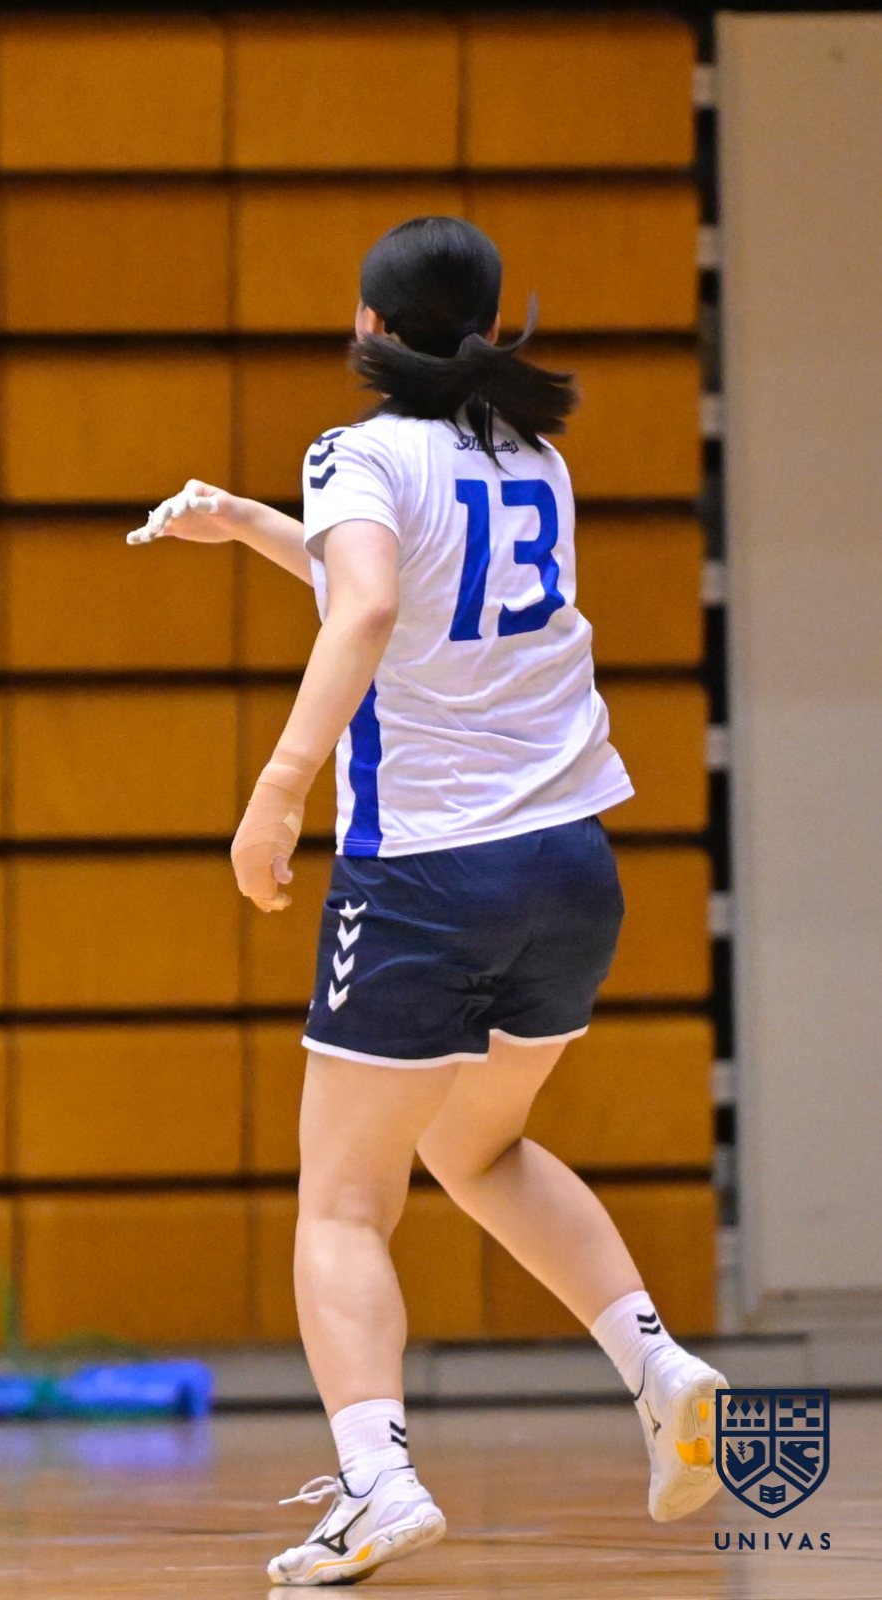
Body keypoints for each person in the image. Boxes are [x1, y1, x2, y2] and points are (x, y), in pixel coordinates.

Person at [129, 216, 728, 1586]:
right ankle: (656, 1365)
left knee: (342, 1203)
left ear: (366, 326)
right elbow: (398, 589)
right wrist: (249, 525)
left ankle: (376, 1480)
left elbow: (363, 611)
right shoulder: (533, 456)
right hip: (567, 866)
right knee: (477, 1147)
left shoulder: (356, 451)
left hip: (426, 872)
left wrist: (279, 786)